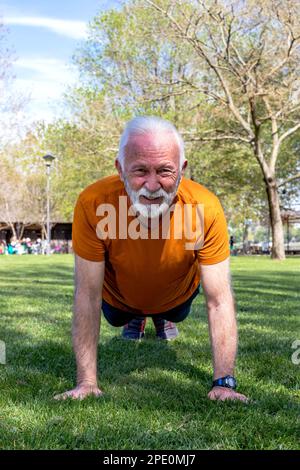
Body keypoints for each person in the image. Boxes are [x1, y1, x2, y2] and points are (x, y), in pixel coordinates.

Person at [54, 116, 248, 403]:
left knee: (174, 313)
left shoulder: (204, 207)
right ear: (120, 169)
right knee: (119, 318)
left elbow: (218, 300)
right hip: (118, 301)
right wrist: (86, 383)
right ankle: (139, 316)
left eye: (165, 171)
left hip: (176, 299)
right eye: (140, 170)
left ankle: (157, 317)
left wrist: (225, 383)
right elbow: (88, 294)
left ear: (182, 170)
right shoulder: (93, 203)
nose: (153, 184)